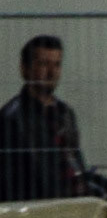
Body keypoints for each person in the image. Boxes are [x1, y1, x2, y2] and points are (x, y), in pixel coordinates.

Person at [0, 35, 91, 203]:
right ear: (24, 69)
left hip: (71, 205)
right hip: (36, 208)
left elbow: (74, 158)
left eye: (57, 64)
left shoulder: (65, 113)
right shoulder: (11, 119)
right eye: (43, 64)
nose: (52, 72)